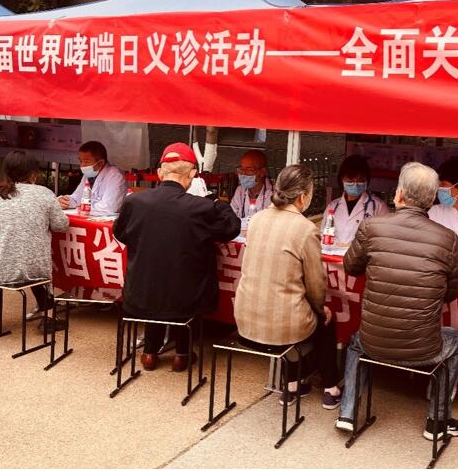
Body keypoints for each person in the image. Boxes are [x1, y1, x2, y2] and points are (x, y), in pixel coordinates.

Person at [336, 162, 458, 440]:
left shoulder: (371, 227)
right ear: (432, 200)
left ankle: (347, 413)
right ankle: (437, 421)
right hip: (425, 347)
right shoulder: (449, 239)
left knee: (355, 341)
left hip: (373, 341)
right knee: (456, 340)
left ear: (399, 194)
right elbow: (452, 292)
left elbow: (351, 266)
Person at [113, 143, 240, 371]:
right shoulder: (201, 207)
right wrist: (217, 201)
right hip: (187, 296)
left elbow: (120, 233)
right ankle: (182, 354)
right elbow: (231, 228)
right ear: (192, 174)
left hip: (141, 291)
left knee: (158, 284)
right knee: (183, 284)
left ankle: (149, 353)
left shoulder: (134, 202)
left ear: (160, 173)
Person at [234, 164, 342, 409]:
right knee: (324, 320)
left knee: (291, 309)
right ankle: (331, 388)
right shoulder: (305, 229)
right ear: (303, 197)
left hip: (244, 319)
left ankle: (292, 385)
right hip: (282, 326)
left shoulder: (257, 219)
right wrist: (320, 309)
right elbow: (316, 285)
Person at [0, 150, 69, 336]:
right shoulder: (45, 194)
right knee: (37, 271)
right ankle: (49, 318)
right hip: (33, 264)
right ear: (34, 173)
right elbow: (61, 225)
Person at [320, 154, 389, 245]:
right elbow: (323, 234)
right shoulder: (332, 206)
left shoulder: (378, 207)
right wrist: (337, 245)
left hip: (363, 254)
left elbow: (384, 239)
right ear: (342, 180)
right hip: (334, 252)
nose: (355, 184)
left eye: (360, 180)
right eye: (350, 180)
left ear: (366, 180)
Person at [58, 141, 126, 216]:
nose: (82, 165)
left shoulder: (115, 175)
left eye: (86, 162)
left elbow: (109, 207)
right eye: (80, 161)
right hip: (88, 217)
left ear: (100, 163)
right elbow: (77, 197)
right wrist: (65, 201)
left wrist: (83, 207)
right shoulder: (89, 174)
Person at [229, 149, 273, 226]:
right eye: (241, 169)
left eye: (249, 170)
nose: (243, 173)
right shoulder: (240, 190)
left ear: (262, 172)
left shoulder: (273, 193)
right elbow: (232, 217)